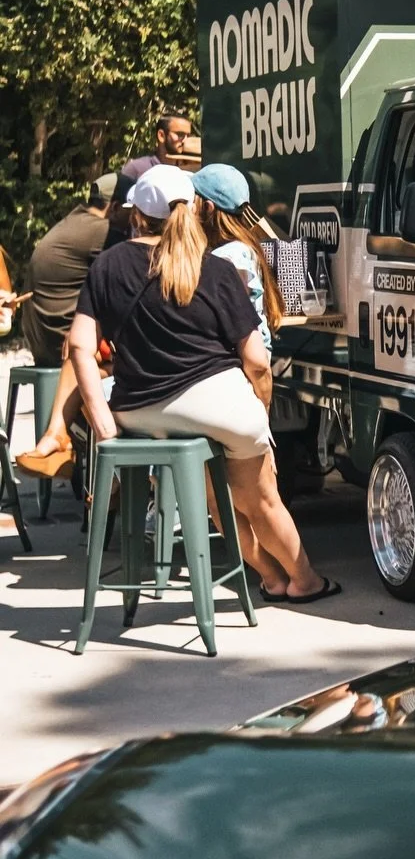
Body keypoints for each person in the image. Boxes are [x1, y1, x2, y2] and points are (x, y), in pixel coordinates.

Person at [68, 165, 337, 603]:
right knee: (262, 498)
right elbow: (256, 361)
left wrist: (105, 429)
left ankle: (269, 577)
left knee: (219, 502)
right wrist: (258, 418)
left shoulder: (108, 263)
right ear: (193, 211)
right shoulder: (215, 268)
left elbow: (79, 347)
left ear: (136, 214)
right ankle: (303, 581)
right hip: (221, 405)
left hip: (142, 412)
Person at [12, 176, 117, 479]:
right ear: (114, 206)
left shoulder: (74, 220)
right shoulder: (102, 230)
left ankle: (62, 440)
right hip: (57, 338)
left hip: (45, 337)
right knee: (87, 352)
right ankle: (93, 465)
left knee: (86, 357)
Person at [191, 163, 283, 349]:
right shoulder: (240, 248)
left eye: (193, 200)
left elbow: (238, 328)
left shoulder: (230, 258)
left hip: (240, 365)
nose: (189, 207)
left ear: (208, 208)